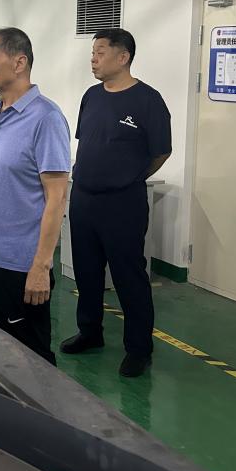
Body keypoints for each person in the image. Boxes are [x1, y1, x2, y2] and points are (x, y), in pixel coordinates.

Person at [61, 28, 171, 378]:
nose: (93, 59)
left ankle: (139, 349)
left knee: (128, 276)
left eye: (100, 52)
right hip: (84, 197)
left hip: (123, 203)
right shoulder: (92, 96)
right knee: (86, 271)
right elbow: (87, 141)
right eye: (92, 53)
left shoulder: (148, 101)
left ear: (123, 57)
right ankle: (90, 332)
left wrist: (129, 176)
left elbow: (161, 152)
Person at [0, 28, 70, 364]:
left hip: (20, 264)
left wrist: (41, 266)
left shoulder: (46, 118)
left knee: (31, 360)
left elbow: (57, 198)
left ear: (19, 63)